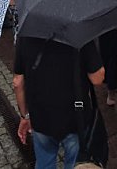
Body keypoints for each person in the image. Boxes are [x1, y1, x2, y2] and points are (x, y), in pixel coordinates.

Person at [13, 38, 104, 169]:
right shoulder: (80, 35)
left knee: (44, 162)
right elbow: (97, 78)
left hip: (40, 116)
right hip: (74, 117)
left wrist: (24, 116)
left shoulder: (26, 35)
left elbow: (18, 82)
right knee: (75, 163)